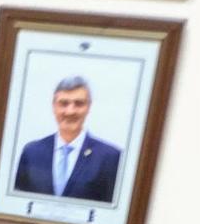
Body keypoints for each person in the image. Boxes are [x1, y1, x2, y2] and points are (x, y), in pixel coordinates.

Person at [13, 75, 121, 203]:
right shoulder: (31, 152)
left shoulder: (110, 157)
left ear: (88, 107)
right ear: (54, 106)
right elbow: (18, 202)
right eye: (63, 103)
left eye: (79, 104)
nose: (70, 111)